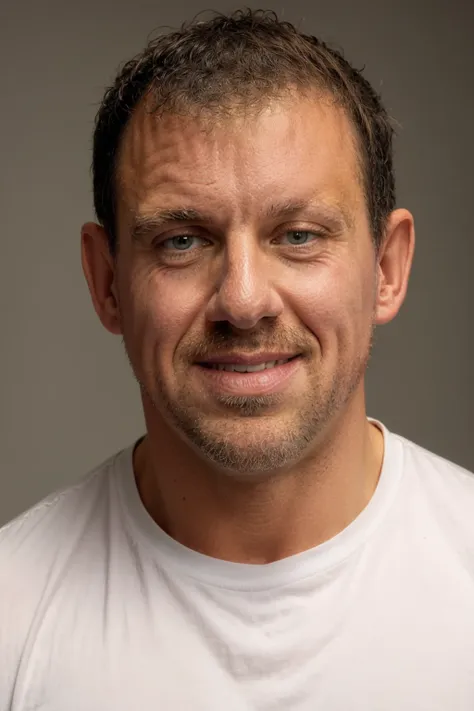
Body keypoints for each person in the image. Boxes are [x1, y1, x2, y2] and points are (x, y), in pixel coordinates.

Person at [1, 8, 473, 710]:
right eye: (182, 241)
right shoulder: (12, 616)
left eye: (300, 234)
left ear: (387, 268)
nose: (244, 300)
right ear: (107, 283)